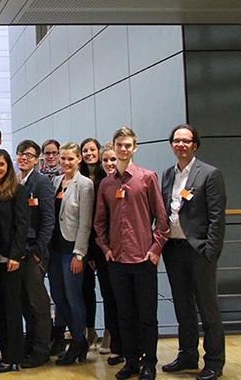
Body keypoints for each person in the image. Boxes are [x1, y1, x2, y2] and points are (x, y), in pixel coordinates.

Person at [94, 127, 170, 380]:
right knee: (124, 315)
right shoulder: (106, 183)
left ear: (134, 148)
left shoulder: (148, 178)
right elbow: (99, 222)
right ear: (114, 148)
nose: (123, 149)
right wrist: (105, 249)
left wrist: (155, 249)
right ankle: (131, 361)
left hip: (143, 258)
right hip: (117, 260)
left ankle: (149, 362)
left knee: (147, 316)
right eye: (119, 145)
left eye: (128, 145)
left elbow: (161, 218)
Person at [160, 124, 226, 380]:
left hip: (199, 252)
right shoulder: (167, 175)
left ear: (194, 145)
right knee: (182, 308)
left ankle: (214, 362)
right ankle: (188, 354)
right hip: (174, 250)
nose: (180, 145)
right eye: (176, 141)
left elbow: (217, 218)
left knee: (208, 310)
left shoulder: (209, 174)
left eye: (186, 141)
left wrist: (210, 251)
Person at [0, 149, 30, 372]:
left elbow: (22, 226)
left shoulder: (17, 190)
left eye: (1, 164)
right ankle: (5, 354)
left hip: (10, 259)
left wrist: (16, 255)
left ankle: (14, 357)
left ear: (8, 166)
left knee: (12, 309)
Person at [48, 142, 94, 366]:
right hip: (56, 250)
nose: (66, 162)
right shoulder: (56, 181)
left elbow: (86, 222)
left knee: (73, 297)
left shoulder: (84, 185)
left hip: (73, 251)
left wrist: (79, 254)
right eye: (63, 159)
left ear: (79, 160)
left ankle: (78, 341)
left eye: (70, 159)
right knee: (58, 296)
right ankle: (77, 341)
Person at [14, 140, 55, 369]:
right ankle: (30, 345)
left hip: (35, 254)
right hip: (21, 253)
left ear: (36, 159)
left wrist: (39, 251)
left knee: (38, 304)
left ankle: (41, 350)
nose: (24, 158)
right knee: (25, 303)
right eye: (21, 154)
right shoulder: (17, 181)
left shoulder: (41, 183)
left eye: (29, 155)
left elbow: (48, 220)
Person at [80, 137, 121, 363]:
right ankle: (90, 331)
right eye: (85, 150)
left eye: (92, 150)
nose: (89, 154)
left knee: (109, 292)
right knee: (86, 291)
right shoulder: (82, 178)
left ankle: (110, 333)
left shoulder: (109, 179)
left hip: (108, 248)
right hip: (87, 246)